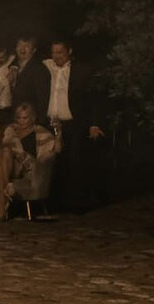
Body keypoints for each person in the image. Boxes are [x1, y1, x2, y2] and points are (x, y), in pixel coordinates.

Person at [41, 40, 106, 211]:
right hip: (51, 122)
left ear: (69, 51)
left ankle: (77, 202)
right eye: (54, 52)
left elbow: (93, 97)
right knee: (52, 162)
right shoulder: (47, 67)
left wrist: (94, 123)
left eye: (60, 52)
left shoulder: (81, 70)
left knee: (75, 162)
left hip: (73, 122)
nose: (56, 56)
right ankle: (53, 202)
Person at [0, 101, 60, 219]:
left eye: (25, 118)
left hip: (28, 167)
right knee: (2, 157)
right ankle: (6, 195)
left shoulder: (40, 131)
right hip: (10, 164)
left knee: (2, 158)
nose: (21, 121)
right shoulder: (11, 130)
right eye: (19, 118)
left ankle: (2, 205)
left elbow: (56, 150)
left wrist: (59, 132)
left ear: (32, 118)